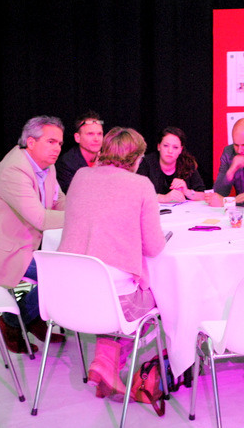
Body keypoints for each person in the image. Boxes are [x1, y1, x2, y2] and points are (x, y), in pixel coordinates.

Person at [58, 127, 166, 400]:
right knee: (161, 298)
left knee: (113, 289)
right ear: (136, 158)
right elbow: (154, 247)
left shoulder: (81, 176)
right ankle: (108, 364)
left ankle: (106, 365)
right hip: (113, 298)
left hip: (68, 292)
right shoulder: (141, 185)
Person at [0, 116, 67, 353]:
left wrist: (78, 212)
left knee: (68, 269)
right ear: (31, 142)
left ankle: (31, 317)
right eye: (51, 141)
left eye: (60, 143)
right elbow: (41, 219)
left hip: (23, 244)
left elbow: (59, 201)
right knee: (62, 274)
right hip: (0, 250)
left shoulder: (47, 166)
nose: (57, 148)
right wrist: (82, 218)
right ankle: (12, 322)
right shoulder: (14, 170)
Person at [137, 126, 206, 202]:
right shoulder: (146, 163)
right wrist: (164, 198)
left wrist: (186, 192)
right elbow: (136, 193)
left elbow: (203, 195)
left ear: (181, 150)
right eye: (166, 146)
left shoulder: (188, 164)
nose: (170, 151)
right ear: (159, 146)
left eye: (175, 147)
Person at [56, 110, 104, 193]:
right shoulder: (66, 164)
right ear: (77, 138)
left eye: (99, 134)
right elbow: (73, 195)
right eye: (90, 134)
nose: (96, 139)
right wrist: (92, 172)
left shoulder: (108, 158)